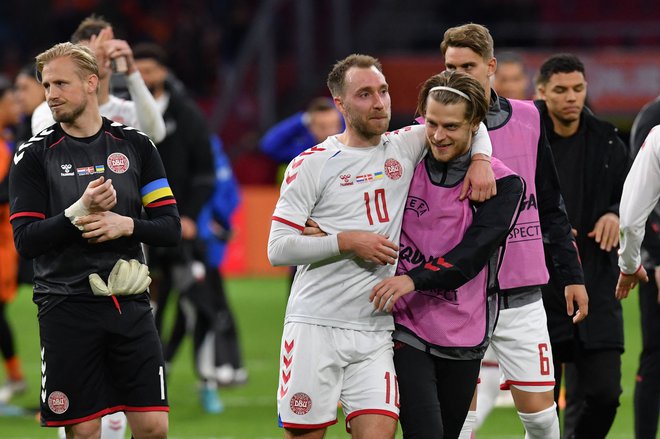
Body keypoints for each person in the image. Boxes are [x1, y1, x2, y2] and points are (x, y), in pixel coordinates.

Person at [267, 53, 495, 438]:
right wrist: (346, 241)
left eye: (384, 91)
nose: (379, 102)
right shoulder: (311, 164)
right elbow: (278, 249)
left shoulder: (403, 146)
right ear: (339, 103)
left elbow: (470, 120)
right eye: (364, 94)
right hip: (315, 325)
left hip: (375, 329)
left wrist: (482, 159)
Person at [8, 42, 180, 438]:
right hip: (65, 306)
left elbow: (170, 226)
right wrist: (77, 212)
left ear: (91, 83)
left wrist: (126, 225)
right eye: (46, 84)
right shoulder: (33, 155)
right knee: (84, 432)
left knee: (153, 427)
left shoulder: (136, 145)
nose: (50, 94)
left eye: (60, 84)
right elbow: (27, 241)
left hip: (130, 306)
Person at [440, 24, 588, 439]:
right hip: (458, 294)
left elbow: (549, 201)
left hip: (521, 293)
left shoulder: (528, 117)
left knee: (542, 420)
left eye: (467, 65)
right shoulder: (430, 126)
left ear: (489, 66)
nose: (457, 75)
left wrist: (572, 275)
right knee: (458, 422)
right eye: (450, 66)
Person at [368, 70, 524, 438]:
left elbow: (471, 256)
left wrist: (413, 278)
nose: (438, 136)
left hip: (465, 330)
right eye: (432, 123)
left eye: (451, 127)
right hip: (404, 324)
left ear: (475, 125)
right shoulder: (404, 161)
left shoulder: (504, 184)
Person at [535, 53, 629, 438]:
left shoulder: (609, 140)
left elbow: (631, 196)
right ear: (541, 92)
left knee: (606, 395)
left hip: (598, 282)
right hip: (542, 288)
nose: (571, 97)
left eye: (578, 88)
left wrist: (615, 213)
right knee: (541, 409)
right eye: (560, 90)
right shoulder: (527, 140)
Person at [132, 42, 220, 412]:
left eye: (151, 70)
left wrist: (189, 216)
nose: (146, 77)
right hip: (139, 231)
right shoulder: (123, 113)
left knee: (195, 306)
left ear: (164, 72)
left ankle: (208, 380)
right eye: (139, 71)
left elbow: (205, 172)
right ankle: (148, 377)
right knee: (144, 306)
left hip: (180, 231)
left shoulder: (187, 114)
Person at [31, 15, 166, 145]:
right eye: (85, 57)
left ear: (111, 58)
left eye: (100, 54)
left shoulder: (128, 111)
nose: (94, 59)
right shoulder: (48, 110)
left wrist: (131, 72)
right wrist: (89, 66)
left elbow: (155, 135)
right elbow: (52, 145)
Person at [619, 94, 660, 439]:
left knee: (655, 358)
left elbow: (632, 217)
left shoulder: (657, 133)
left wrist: (631, 263)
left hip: (656, 266)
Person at [0, 75, 25, 405]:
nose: (16, 106)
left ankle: (16, 376)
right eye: (11, 101)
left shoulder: (8, 146)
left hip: (4, 243)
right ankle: (15, 375)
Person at [260, 97, 344, 165]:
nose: (329, 132)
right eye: (322, 127)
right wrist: (302, 119)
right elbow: (268, 146)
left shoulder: (348, 147)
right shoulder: (301, 152)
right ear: (311, 128)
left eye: (334, 125)